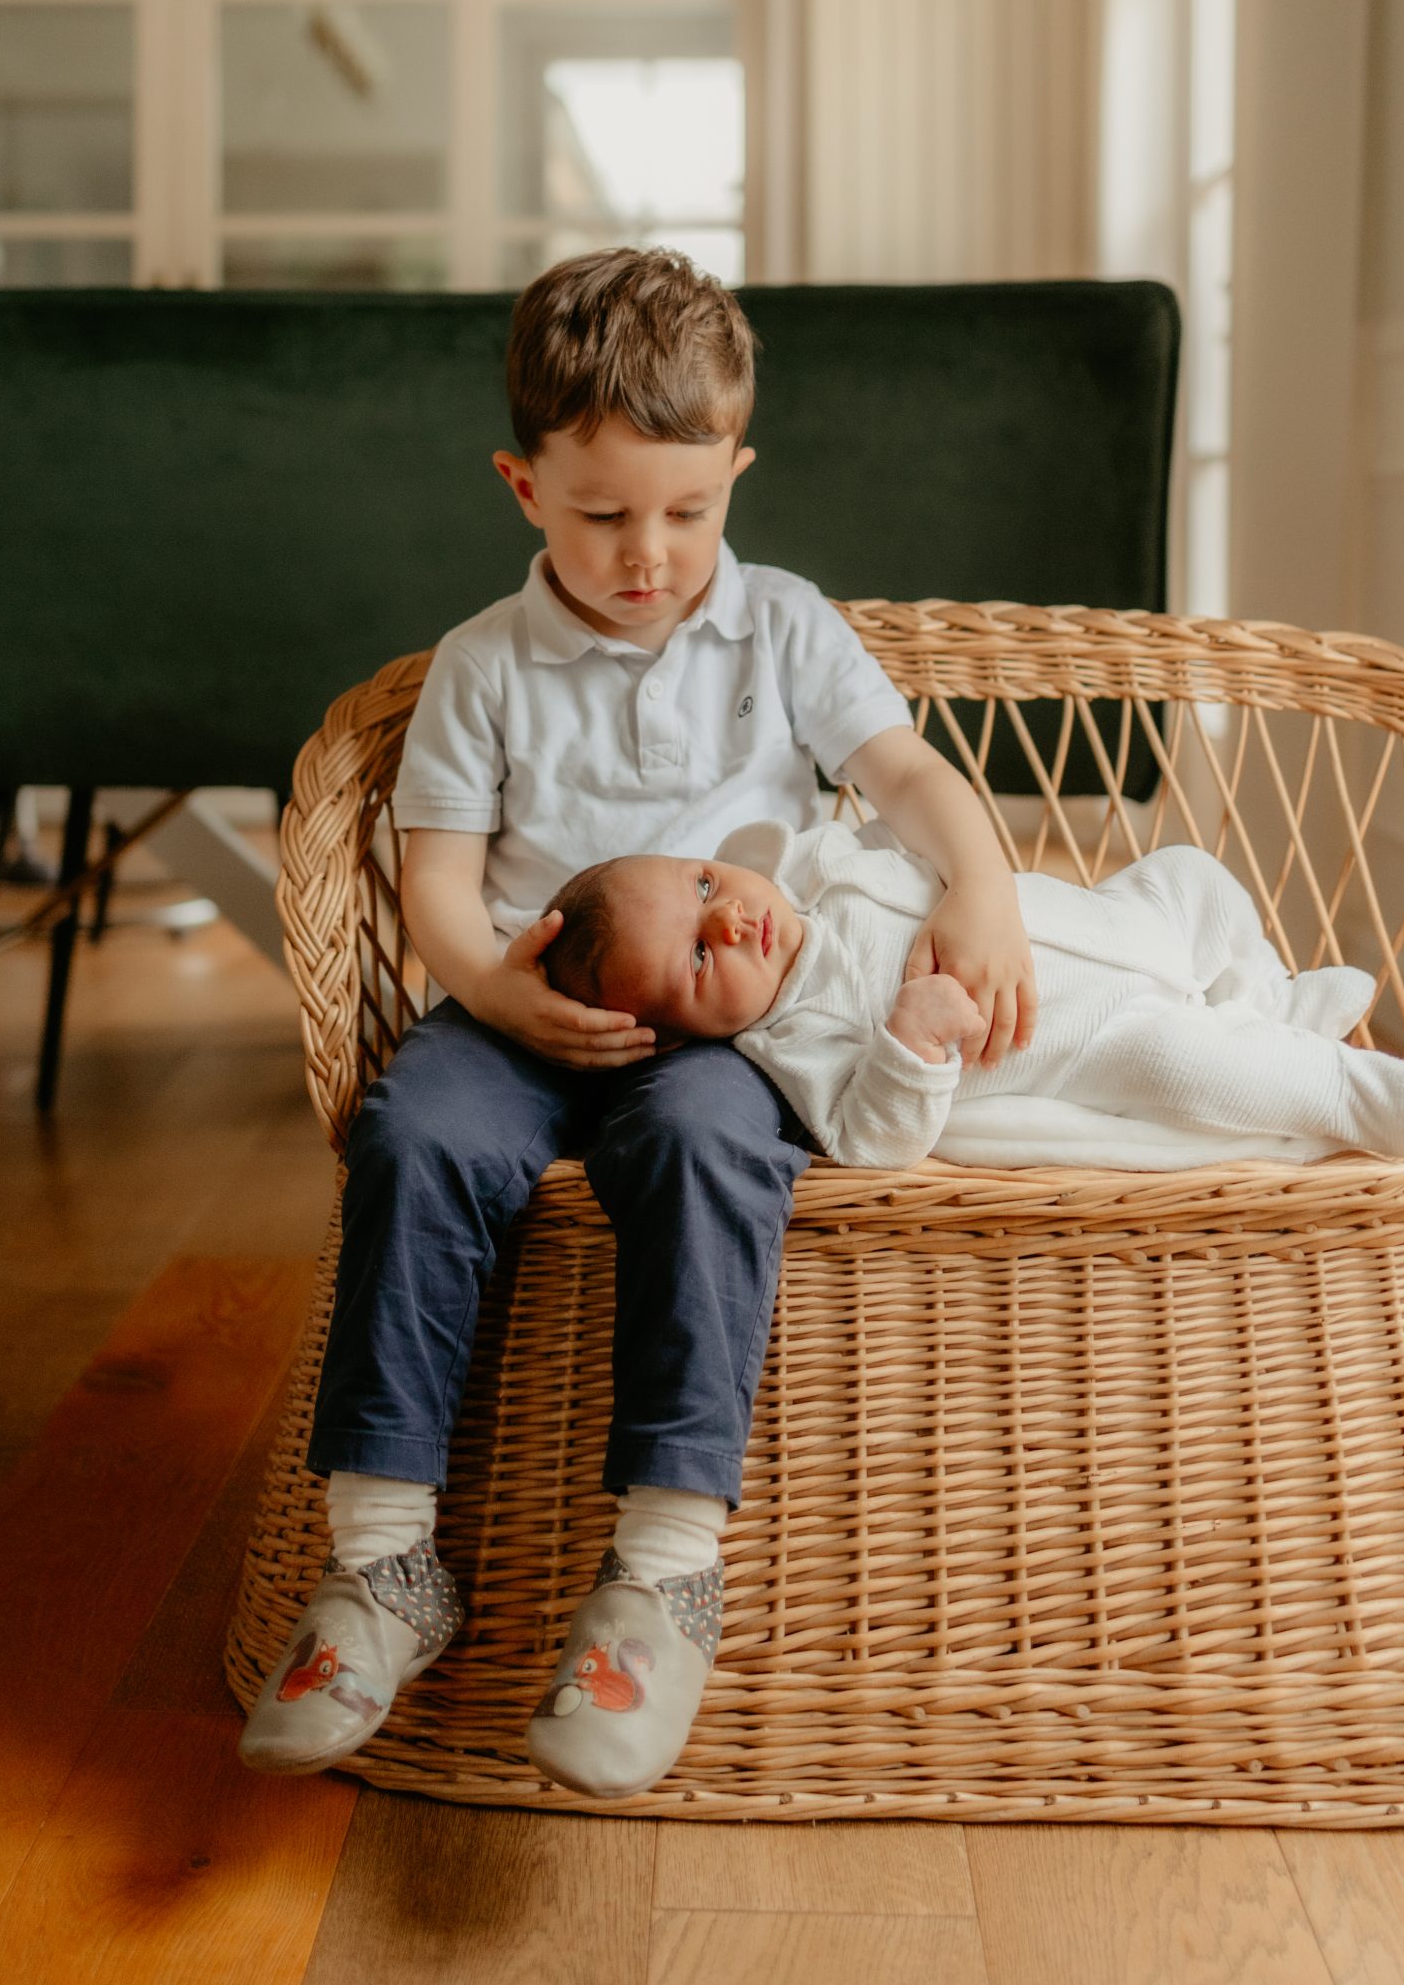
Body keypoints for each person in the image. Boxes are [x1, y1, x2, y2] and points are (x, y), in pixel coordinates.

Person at [238, 247, 1038, 1800]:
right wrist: (492, 991)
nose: (647, 556)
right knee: (412, 1135)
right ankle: (383, 1561)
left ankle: (663, 1577)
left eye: (687, 512)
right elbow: (435, 882)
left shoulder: (782, 627)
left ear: (734, 472)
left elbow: (905, 776)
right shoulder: (482, 667)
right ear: (522, 485)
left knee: (704, 1149)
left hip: (726, 1039)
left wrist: (983, 885)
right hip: (520, 1010)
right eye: (601, 515)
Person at [539, 823, 1404, 1171]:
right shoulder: (791, 1042)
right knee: (1185, 1067)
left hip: (1118, 921)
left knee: (1191, 873)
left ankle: (1267, 1002)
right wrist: (909, 1046)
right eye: (700, 957)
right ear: (676, 1039)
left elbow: (924, 827)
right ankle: (1354, 1094)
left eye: (704, 885)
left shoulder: (826, 866)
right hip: (1093, 1037)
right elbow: (868, 1140)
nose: (732, 918)